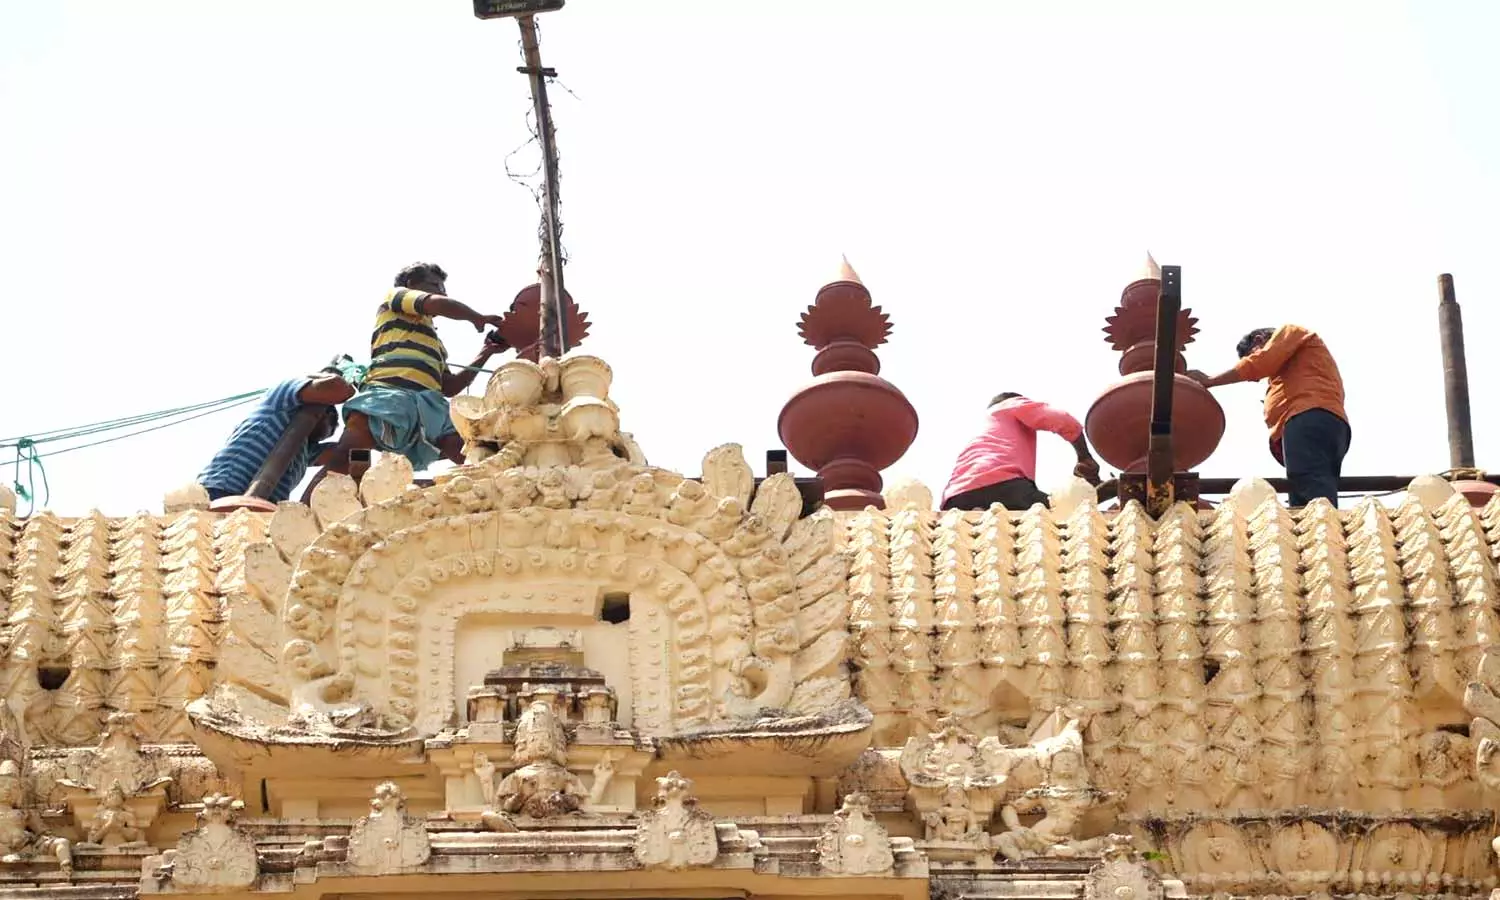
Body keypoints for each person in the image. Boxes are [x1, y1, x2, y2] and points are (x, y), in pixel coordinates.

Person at [329, 262, 511, 476]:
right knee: (351, 454)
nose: (442, 293)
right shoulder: (395, 298)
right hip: (388, 396)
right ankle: (333, 489)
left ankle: (490, 483)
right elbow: (436, 303)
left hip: (430, 405)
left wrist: (486, 352)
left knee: (469, 449)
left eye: (443, 289)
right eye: (435, 286)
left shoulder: (436, 345)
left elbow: (450, 387)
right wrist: (476, 317)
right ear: (411, 284)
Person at [1188, 324, 1350, 507]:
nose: (1257, 379)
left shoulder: (1291, 332)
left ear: (1259, 340)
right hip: (1326, 424)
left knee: (1312, 489)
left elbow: (1260, 363)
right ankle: (1317, 520)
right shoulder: (1301, 367)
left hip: (1307, 417)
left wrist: (1210, 381)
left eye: (1251, 355)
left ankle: (1320, 523)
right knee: (1310, 485)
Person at [197, 361, 355, 502]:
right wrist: (342, 380)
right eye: (332, 426)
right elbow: (339, 390)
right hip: (222, 489)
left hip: (262, 508)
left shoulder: (304, 450)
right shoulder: (281, 398)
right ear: (326, 414)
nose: (330, 433)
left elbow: (348, 454)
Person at [941, 393, 1101, 511]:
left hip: (955, 498)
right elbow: (1062, 420)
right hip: (1003, 486)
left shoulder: (983, 427)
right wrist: (1084, 456)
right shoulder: (1008, 405)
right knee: (1063, 510)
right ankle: (1099, 494)